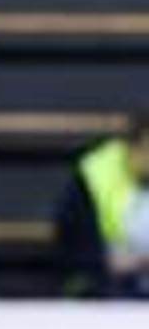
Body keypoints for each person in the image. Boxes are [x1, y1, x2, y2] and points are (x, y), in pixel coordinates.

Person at [55, 112, 149, 297]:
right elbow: (71, 240)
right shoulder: (96, 174)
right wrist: (105, 260)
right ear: (132, 146)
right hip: (106, 278)